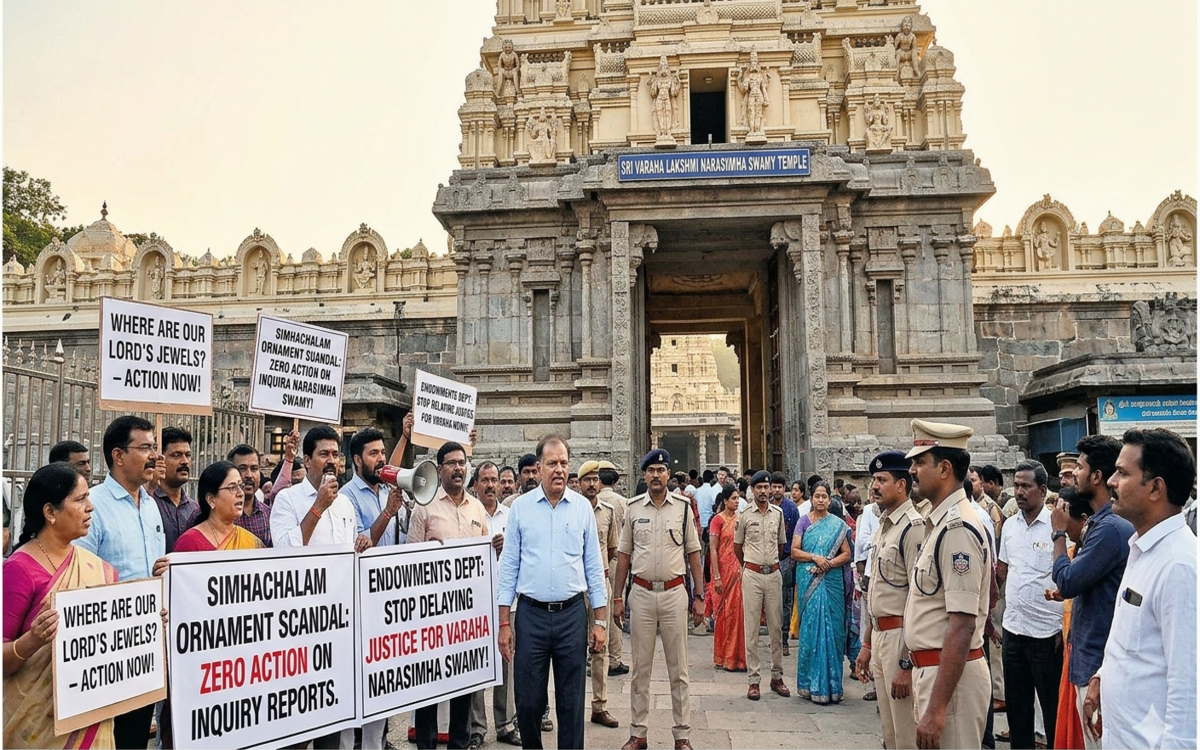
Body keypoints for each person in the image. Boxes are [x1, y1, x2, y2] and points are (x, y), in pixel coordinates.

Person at [1083, 428, 1197, 749]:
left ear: (1155, 488)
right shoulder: (1142, 548)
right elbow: (1137, 642)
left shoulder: (1179, 565)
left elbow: (1188, 683)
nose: (1111, 482)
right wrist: (1102, 677)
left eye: (1123, 473)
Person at [497, 435, 607, 750]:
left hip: (572, 616)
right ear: (539, 467)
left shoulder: (582, 509)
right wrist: (504, 623)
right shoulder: (521, 509)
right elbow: (508, 570)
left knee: (571, 704)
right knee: (528, 702)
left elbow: (594, 568)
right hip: (530, 616)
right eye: (551, 463)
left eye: (563, 463)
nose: (558, 470)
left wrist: (599, 621)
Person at [3, 462, 117, 749]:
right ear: (50, 512)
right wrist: (31, 641)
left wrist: (147, 624)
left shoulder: (96, 567)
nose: (90, 507)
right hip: (36, 729)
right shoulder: (20, 569)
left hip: (90, 716)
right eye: (80, 499)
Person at [74, 415, 166, 749]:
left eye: (154, 447)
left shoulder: (152, 507)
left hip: (146, 650)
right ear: (118, 455)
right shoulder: (92, 506)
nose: (154, 455)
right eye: (145, 447)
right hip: (106, 653)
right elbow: (77, 578)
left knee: (135, 737)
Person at [903, 419, 990, 750]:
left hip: (951, 683)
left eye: (919, 462)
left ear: (944, 469)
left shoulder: (957, 529)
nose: (911, 470)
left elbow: (962, 625)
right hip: (935, 675)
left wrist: (937, 709)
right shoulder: (939, 523)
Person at [613, 449, 704, 750]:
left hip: (674, 594)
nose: (655, 475)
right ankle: (638, 733)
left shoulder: (683, 508)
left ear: (668, 475)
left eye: (660, 470)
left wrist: (699, 596)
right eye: (650, 470)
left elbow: (693, 553)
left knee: (679, 670)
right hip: (640, 594)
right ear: (643, 475)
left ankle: (682, 735)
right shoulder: (632, 508)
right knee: (640, 669)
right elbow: (624, 555)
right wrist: (617, 597)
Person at [1049, 435, 1133, 750]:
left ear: (1096, 476)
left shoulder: (1110, 528)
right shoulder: (1102, 526)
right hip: (1093, 661)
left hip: (1100, 663)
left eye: (1080, 468)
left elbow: (1067, 581)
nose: (1074, 475)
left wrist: (1058, 533)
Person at [408, 441, 491, 750]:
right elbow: (409, 559)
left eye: (462, 462)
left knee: (463, 691)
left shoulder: (477, 508)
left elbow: (485, 558)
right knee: (428, 690)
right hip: (431, 614)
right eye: (452, 463)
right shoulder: (424, 506)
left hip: (466, 617)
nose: (459, 468)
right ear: (439, 468)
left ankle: (460, 744)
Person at [855, 450, 924, 749]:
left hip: (901, 638)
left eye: (882, 480)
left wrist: (907, 662)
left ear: (902, 484)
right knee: (889, 732)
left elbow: (917, 598)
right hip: (881, 634)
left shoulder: (913, 527)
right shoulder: (884, 524)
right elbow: (877, 592)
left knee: (906, 731)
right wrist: (867, 644)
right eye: (873, 480)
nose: (874, 486)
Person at [997, 460, 1064, 749]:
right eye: (1016, 486)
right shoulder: (1009, 526)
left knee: (1052, 711)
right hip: (1014, 631)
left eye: (1026, 486)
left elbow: (1069, 579)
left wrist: (1065, 626)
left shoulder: (1058, 527)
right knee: (1018, 710)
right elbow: (1002, 570)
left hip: (1047, 634)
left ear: (1043, 489)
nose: (1019, 492)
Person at [470, 462, 521, 746]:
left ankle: (505, 725)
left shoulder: (512, 516)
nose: (491, 486)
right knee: (477, 668)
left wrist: (507, 547)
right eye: (485, 481)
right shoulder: (467, 513)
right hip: (475, 605)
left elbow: (521, 554)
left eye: (495, 481)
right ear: (475, 485)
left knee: (507, 666)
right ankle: (477, 729)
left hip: (507, 603)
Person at [790, 480, 852, 704]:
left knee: (833, 632)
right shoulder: (803, 522)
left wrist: (828, 563)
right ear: (811, 498)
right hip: (809, 578)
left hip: (831, 580)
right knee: (810, 632)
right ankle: (809, 684)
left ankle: (833, 686)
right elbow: (795, 551)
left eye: (824, 496)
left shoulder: (838, 524)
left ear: (830, 499)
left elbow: (846, 554)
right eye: (817, 496)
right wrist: (814, 557)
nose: (821, 500)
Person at [735, 471, 790, 700]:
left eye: (767, 487)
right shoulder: (745, 514)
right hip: (753, 574)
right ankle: (753, 679)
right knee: (752, 630)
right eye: (759, 488)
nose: (764, 491)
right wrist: (750, 565)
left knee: (776, 627)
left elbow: (781, 545)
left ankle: (777, 676)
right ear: (753, 490)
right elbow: (738, 547)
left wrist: (769, 565)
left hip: (773, 573)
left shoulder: (777, 514)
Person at [576, 461, 620, 729]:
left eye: (595, 479)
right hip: (575, 587)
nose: (592, 484)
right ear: (578, 483)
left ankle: (600, 706)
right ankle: (572, 707)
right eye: (587, 480)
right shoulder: (572, 510)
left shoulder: (609, 512)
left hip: (601, 583)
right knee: (573, 648)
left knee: (600, 647)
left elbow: (612, 549)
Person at [1048, 487, 1089, 750]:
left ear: (1084, 519)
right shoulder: (1080, 549)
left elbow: (1066, 578)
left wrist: (1058, 534)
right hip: (1071, 644)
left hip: (1087, 655)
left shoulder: (1101, 541)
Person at [173, 462, 264, 552]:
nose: (240, 493)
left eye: (241, 486)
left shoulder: (251, 542)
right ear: (211, 499)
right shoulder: (189, 542)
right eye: (232, 487)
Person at [597, 461, 629, 677]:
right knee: (616, 606)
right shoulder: (623, 502)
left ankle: (598, 655)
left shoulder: (593, 502)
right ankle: (615, 659)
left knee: (597, 612)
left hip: (598, 561)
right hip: (617, 560)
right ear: (616, 481)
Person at [709, 483, 745, 672]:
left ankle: (739, 658)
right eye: (733, 498)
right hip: (723, 571)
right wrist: (716, 576)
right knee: (724, 614)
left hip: (740, 571)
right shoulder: (718, 520)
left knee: (740, 613)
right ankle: (724, 656)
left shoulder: (741, 518)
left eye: (738, 498)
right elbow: (713, 549)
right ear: (725, 501)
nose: (737, 501)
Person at [150, 427, 198, 554]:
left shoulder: (194, 509)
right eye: (176, 455)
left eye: (188, 455)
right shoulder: (148, 503)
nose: (185, 462)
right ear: (160, 460)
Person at [771, 473, 800, 658]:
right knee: (770, 601)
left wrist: (793, 559)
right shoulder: (766, 506)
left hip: (787, 558)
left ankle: (783, 640)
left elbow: (797, 536)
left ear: (784, 488)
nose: (776, 490)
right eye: (774, 486)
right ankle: (773, 639)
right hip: (768, 558)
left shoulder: (791, 509)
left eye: (780, 487)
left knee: (785, 600)